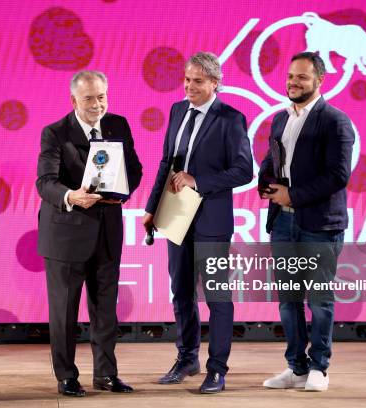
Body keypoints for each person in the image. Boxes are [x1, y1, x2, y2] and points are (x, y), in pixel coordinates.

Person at [142, 51, 253, 394]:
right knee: (182, 291)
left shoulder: (231, 118)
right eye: (187, 79)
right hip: (175, 216)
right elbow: (166, 162)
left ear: (215, 83)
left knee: (218, 296)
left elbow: (244, 170)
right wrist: (151, 207)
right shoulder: (177, 110)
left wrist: (198, 179)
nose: (189, 86)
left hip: (212, 221)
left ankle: (217, 369)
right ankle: (187, 357)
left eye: (198, 81)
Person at [36, 70, 142, 397]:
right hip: (66, 235)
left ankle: (106, 374)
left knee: (105, 310)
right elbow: (45, 182)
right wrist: (72, 196)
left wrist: (120, 192)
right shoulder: (55, 133)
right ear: (73, 101)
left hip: (107, 232)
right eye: (89, 99)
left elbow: (134, 169)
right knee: (64, 312)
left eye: (102, 97)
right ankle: (66, 376)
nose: (98, 105)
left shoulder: (118, 125)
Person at [258, 52, 354, 392]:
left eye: (301, 77)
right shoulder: (282, 119)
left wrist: (293, 195)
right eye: (290, 76)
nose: (293, 82)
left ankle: (319, 368)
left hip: (319, 225)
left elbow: (338, 175)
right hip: (283, 224)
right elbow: (273, 159)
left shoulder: (335, 121)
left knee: (319, 300)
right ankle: (296, 367)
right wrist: (266, 183)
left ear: (320, 80)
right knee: (288, 299)